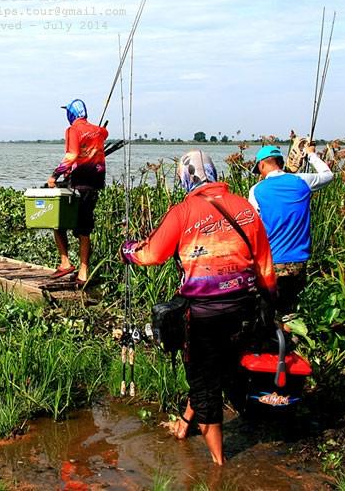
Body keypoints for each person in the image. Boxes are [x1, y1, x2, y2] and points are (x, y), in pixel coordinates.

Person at [120, 150, 278, 465]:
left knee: (206, 385)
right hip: (243, 309)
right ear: (214, 174)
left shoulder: (183, 211)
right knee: (213, 372)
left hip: (204, 316)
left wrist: (128, 251)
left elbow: (151, 254)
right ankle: (183, 427)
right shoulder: (245, 208)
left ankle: (218, 468)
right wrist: (269, 306)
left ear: (186, 178)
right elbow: (265, 267)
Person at [248, 143, 333, 320]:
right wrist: (311, 155)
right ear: (280, 162)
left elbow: (253, 226)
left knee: (267, 311)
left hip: (272, 262)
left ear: (262, 165)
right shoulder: (301, 181)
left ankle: (273, 341)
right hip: (299, 262)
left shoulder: (256, 191)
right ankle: (291, 341)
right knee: (290, 311)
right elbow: (328, 175)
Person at [47, 99, 108, 287]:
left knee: (57, 221)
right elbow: (104, 134)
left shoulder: (72, 130)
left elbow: (72, 155)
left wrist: (54, 176)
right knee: (84, 228)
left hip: (77, 183)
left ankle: (65, 262)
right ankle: (83, 272)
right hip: (94, 185)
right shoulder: (99, 131)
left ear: (71, 114)